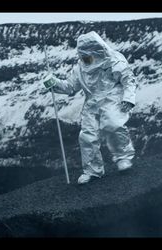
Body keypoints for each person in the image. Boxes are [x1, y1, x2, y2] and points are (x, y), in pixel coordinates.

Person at [43, 31, 137, 184]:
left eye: (88, 55)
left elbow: (129, 80)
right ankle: (92, 170)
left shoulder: (114, 61)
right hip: (92, 102)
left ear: (98, 51)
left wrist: (128, 98)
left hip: (112, 97)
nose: (86, 58)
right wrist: (53, 83)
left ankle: (123, 158)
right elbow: (70, 87)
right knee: (87, 136)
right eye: (83, 55)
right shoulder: (80, 68)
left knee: (113, 125)